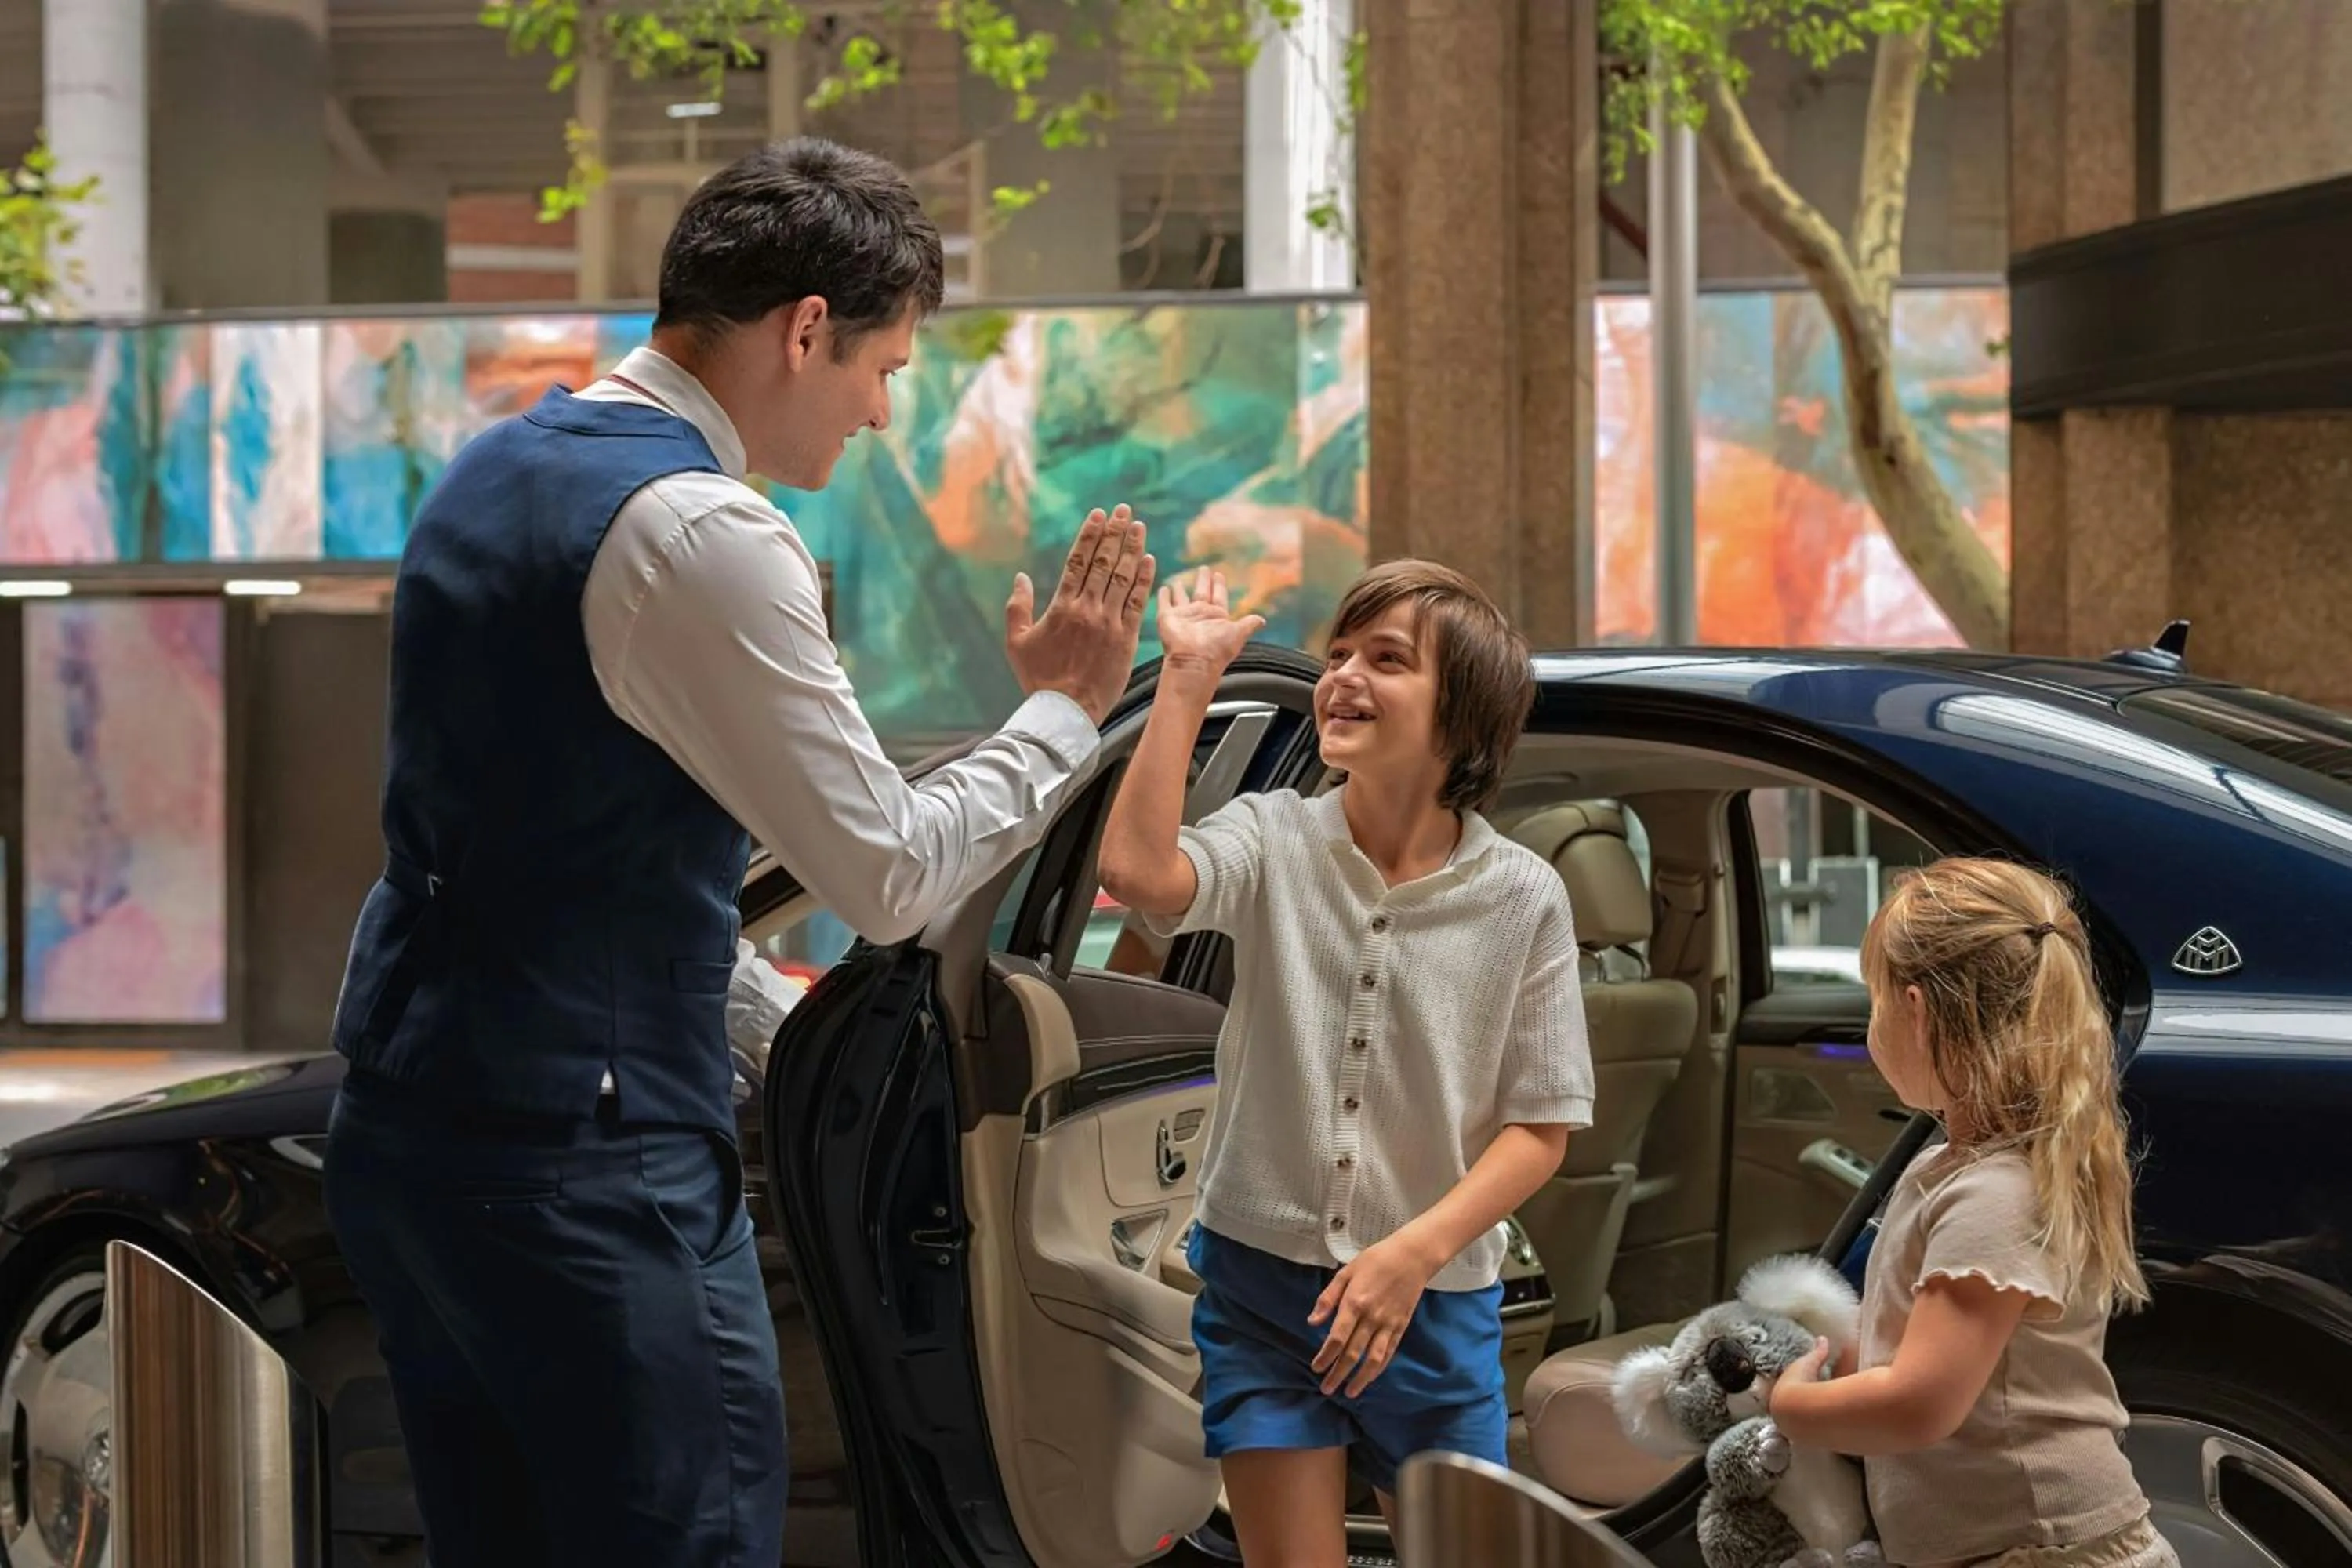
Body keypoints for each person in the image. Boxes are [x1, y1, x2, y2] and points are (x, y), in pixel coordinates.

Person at [321, 136, 1155, 1568]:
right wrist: (1065, 712)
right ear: (805, 329)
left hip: (409, 1134)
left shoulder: (496, 469)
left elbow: (568, 847)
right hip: (591, 1168)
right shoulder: (706, 533)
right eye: (882, 370)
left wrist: (771, 1013)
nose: (884, 416)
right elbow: (887, 874)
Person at [1097, 558, 1593, 1568]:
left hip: (1436, 1301)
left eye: (1387, 658)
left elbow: (1542, 1125)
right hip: (1258, 1290)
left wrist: (1409, 1256)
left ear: (1461, 715)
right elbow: (1137, 873)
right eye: (1338, 655)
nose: (1343, 677)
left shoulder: (1524, 897)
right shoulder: (1275, 838)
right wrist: (1186, 679)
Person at [1766, 858, 2176, 1568]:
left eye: (1876, 1000)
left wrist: (1790, 1407)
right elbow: (1907, 1350)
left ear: (1917, 1012)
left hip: (2046, 1550)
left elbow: (1919, 1404)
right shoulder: (1944, 1169)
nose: (1872, 1022)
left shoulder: (1995, 1195)